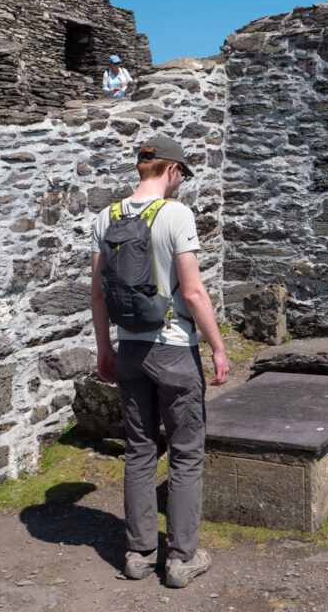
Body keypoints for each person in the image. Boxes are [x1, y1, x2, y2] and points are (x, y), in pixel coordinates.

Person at [90, 135, 228, 589]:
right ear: (172, 170)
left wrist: (104, 348)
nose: (181, 184)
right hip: (173, 349)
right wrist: (217, 346)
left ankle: (139, 554)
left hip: (129, 349)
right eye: (183, 176)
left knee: (140, 451)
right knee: (186, 454)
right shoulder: (176, 214)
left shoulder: (105, 216)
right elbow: (192, 291)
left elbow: (98, 293)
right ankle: (182, 560)